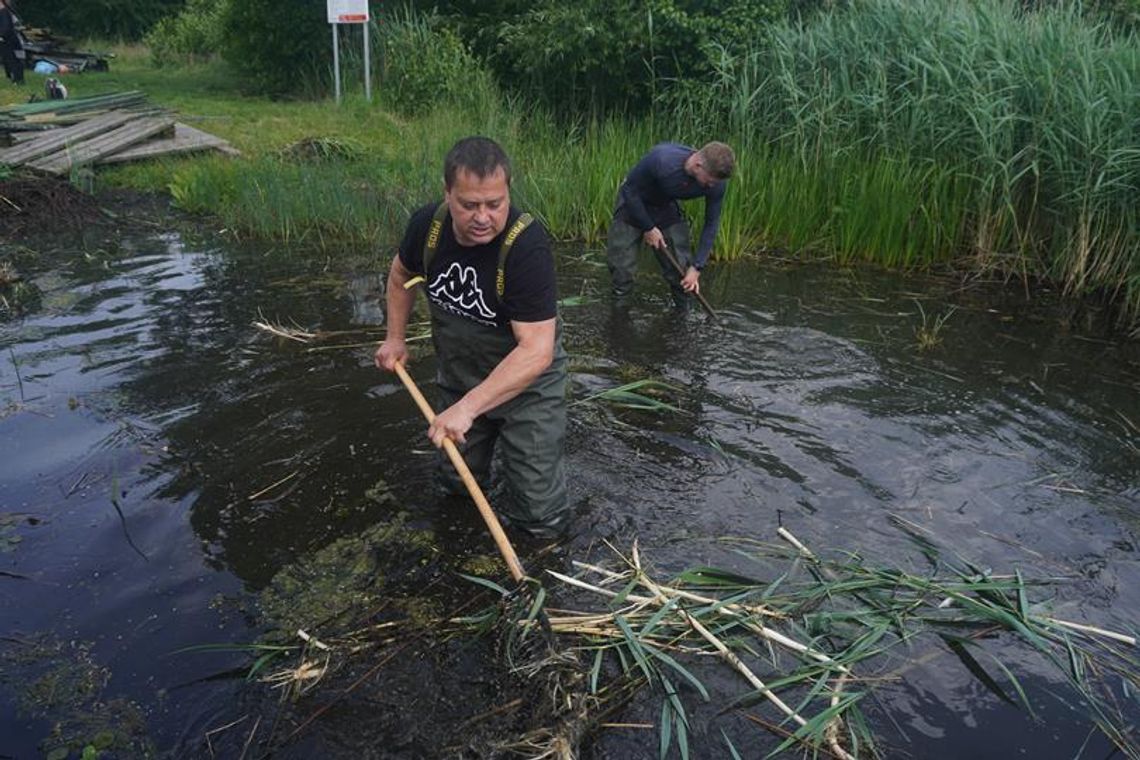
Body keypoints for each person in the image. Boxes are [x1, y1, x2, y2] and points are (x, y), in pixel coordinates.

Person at [374, 136, 569, 538]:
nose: (483, 217)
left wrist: (469, 407)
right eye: (470, 205)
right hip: (461, 375)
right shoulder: (426, 228)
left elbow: (536, 352)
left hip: (527, 388)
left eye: (495, 204)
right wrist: (395, 338)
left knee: (538, 514)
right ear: (447, 194)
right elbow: (400, 276)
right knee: (456, 485)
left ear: (508, 193)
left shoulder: (525, 246)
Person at [607, 141, 735, 308]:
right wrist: (648, 227)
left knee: (682, 271)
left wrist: (697, 268)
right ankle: (619, 320)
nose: (712, 186)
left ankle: (682, 321)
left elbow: (711, 224)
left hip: (664, 207)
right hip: (632, 204)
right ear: (698, 165)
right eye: (709, 181)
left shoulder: (717, 183)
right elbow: (629, 191)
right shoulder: (661, 160)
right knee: (622, 272)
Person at [0, 0, 23, 86]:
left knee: (13, 60)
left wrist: (1, 35)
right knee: (8, 60)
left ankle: (17, 80)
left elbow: (6, 28)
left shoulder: (4, 12)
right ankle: (14, 78)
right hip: (6, 40)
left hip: (10, 40)